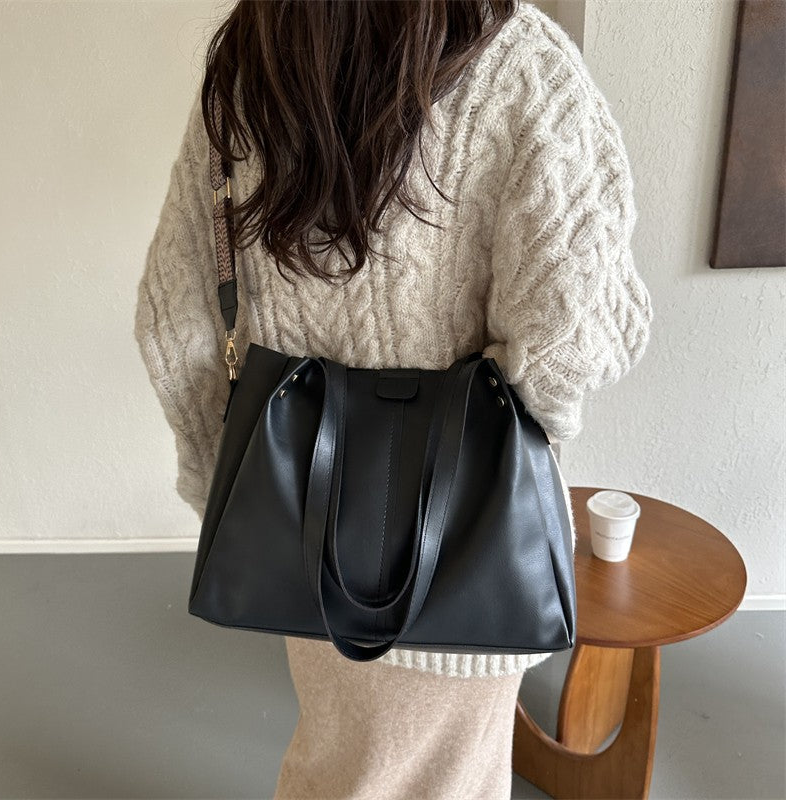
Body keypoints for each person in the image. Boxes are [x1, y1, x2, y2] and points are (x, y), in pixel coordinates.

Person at [133, 1, 654, 798]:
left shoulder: (256, 58)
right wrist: (506, 468)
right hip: (475, 554)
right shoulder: (523, 65)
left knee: (338, 768)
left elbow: (174, 325)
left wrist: (241, 497)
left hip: (310, 534)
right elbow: (573, 334)